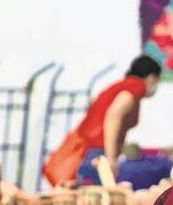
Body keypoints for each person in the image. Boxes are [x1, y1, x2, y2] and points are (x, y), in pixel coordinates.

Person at [42, 55, 161, 186]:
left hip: (89, 151)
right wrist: (111, 159)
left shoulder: (119, 86)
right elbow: (114, 115)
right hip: (97, 152)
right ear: (151, 78)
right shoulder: (136, 86)